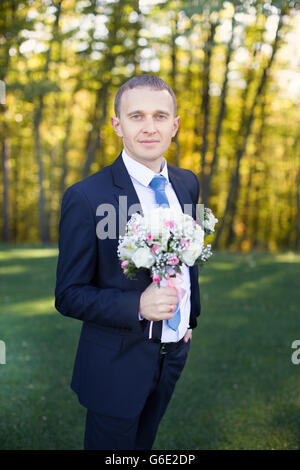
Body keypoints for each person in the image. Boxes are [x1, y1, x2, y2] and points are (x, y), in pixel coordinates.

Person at [55, 74, 201, 450]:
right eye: (136, 116)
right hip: (116, 364)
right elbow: (68, 294)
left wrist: (190, 318)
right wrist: (136, 305)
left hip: (172, 353)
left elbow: (188, 258)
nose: (149, 127)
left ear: (175, 124)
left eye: (160, 116)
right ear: (117, 125)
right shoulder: (87, 197)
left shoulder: (186, 184)